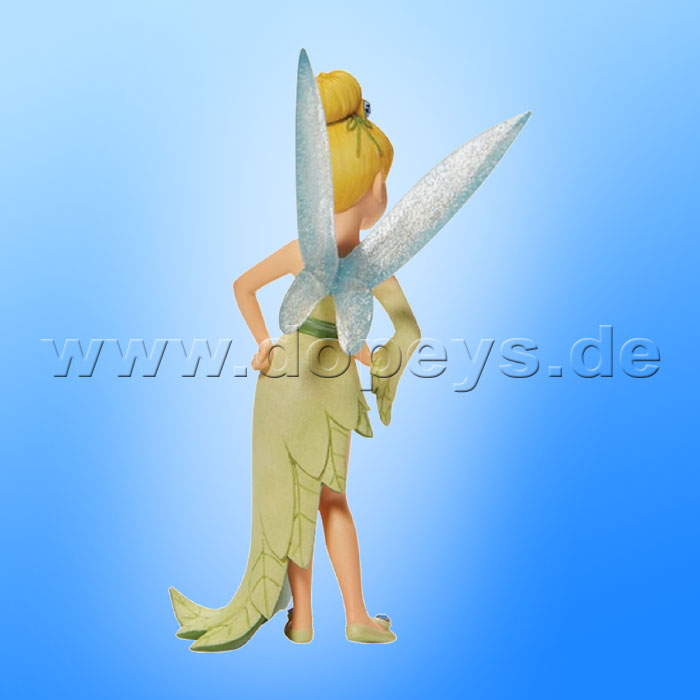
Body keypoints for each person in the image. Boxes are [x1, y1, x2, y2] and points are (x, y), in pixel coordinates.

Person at [169, 68, 421, 650]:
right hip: (330, 383)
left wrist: (264, 341)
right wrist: (385, 363)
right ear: (376, 185)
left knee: (292, 498)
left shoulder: (303, 251)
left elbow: (243, 287)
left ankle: (302, 621)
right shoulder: (372, 266)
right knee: (331, 498)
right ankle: (356, 616)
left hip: (284, 377)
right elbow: (405, 330)